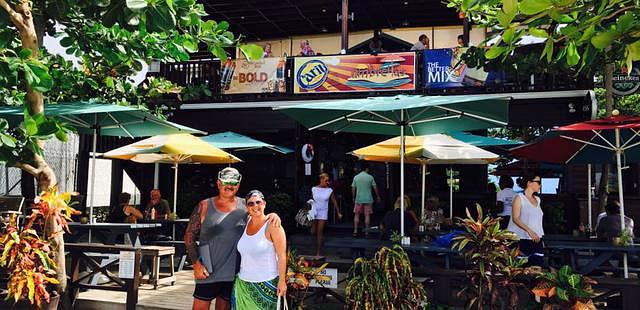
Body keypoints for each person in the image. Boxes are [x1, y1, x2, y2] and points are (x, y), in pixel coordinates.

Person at [184, 167, 281, 310]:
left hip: (233, 272)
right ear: (218, 183)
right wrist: (196, 264)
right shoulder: (204, 205)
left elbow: (260, 216)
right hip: (207, 270)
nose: (229, 186)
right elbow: (189, 236)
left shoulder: (245, 206)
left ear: (238, 185)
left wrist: (273, 215)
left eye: (233, 182)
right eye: (225, 181)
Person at [232, 190, 287, 309]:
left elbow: (282, 255)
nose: (255, 206)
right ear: (247, 207)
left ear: (264, 204)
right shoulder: (245, 222)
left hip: (266, 284)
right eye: (251, 203)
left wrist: (282, 281)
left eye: (258, 202)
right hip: (242, 284)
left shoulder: (273, 225)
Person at [508, 173, 545, 267]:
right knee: (521, 271)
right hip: (521, 239)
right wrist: (529, 231)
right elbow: (515, 218)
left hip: (536, 240)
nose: (540, 185)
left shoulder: (538, 199)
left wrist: (540, 237)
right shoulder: (519, 198)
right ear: (529, 183)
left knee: (537, 269)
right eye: (538, 182)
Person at [311, 173, 343, 256]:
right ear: (321, 180)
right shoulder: (314, 189)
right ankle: (321, 240)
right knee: (313, 232)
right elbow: (311, 200)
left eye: (328, 181)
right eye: (326, 180)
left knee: (319, 231)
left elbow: (334, 201)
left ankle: (318, 252)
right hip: (314, 211)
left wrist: (338, 212)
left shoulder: (329, 190)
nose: (327, 182)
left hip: (323, 212)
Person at [351, 163, 380, 236]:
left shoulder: (356, 177)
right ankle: (367, 232)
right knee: (367, 215)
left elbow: (353, 188)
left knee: (357, 215)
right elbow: (375, 187)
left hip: (358, 199)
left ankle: (355, 231)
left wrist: (353, 197)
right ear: (366, 169)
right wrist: (378, 196)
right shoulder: (370, 177)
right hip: (368, 199)